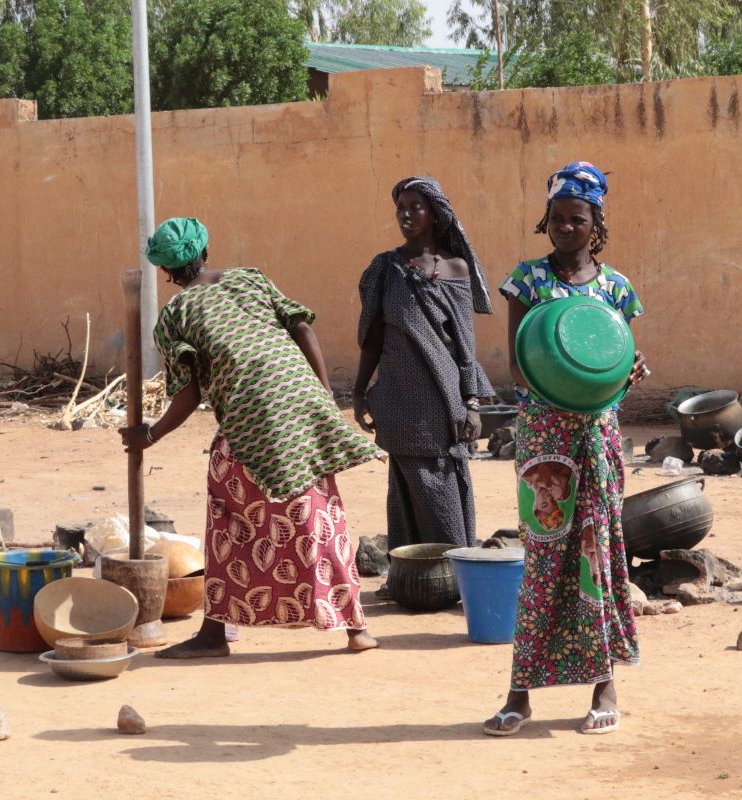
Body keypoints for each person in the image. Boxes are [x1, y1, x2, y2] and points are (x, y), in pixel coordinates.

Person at [120, 217, 384, 657]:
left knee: (228, 522)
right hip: (302, 409)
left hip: (249, 422)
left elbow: (189, 394)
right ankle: (356, 629)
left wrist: (149, 434)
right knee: (318, 516)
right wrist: (321, 397)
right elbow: (302, 328)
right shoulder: (250, 278)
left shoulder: (175, 315)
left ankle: (213, 634)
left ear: (165, 270)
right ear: (205, 250)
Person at [484, 162, 647, 736]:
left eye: (577, 218)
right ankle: (519, 696)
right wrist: (562, 383)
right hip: (545, 435)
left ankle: (605, 688)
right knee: (544, 552)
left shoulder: (616, 288)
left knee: (599, 550)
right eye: (557, 218)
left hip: (597, 435)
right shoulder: (526, 281)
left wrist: (629, 371)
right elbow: (518, 365)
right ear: (546, 220)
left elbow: (618, 359)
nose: (566, 227)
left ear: (595, 222)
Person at [353, 177, 494, 565]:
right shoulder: (385, 268)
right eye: (400, 207)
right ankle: (412, 574)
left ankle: (452, 573)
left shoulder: (456, 268)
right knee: (406, 491)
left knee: (445, 485)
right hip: (398, 398)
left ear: (435, 213)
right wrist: (360, 391)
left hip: (444, 401)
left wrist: (472, 403)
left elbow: (464, 344)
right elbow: (373, 337)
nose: (406, 214)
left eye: (415, 206)